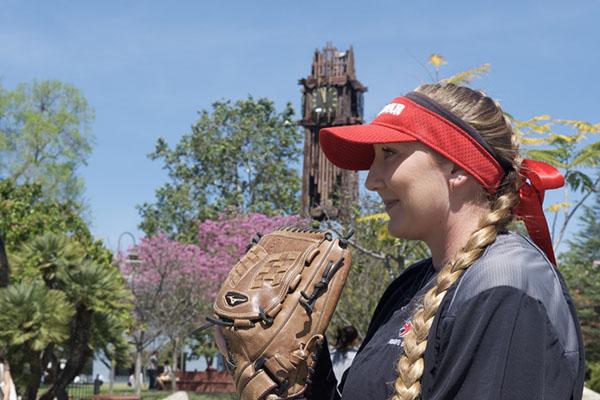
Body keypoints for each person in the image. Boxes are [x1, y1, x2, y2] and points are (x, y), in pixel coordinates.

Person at [308, 83, 585, 399]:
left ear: (457, 167)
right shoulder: (409, 285)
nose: (371, 180)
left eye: (389, 153)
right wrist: (301, 375)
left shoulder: (505, 286)